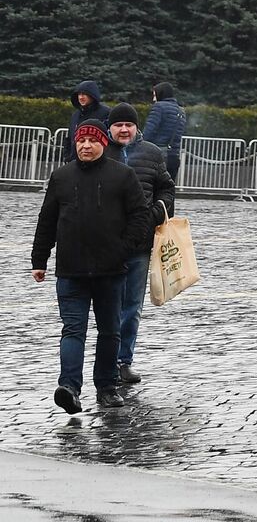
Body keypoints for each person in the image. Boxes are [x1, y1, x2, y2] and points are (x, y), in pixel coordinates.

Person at [32, 120, 148, 413]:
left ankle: (106, 386)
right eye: (80, 140)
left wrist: (124, 249)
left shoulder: (123, 176)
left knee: (110, 331)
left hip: (111, 271)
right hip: (71, 270)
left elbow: (139, 216)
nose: (85, 145)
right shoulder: (61, 176)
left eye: (91, 141)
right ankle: (69, 387)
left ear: (102, 144)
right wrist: (39, 259)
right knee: (73, 330)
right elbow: (47, 220)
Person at [105, 103, 172, 387]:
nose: (123, 129)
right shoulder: (99, 150)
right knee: (106, 305)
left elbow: (166, 188)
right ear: (110, 128)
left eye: (128, 124)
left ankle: (123, 361)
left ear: (135, 127)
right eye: (118, 124)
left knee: (132, 306)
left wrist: (157, 212)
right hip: (104, 242)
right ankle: (103, 361)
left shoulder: (153, 153)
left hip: (140, 243)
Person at [143, 83, 188, 180]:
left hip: (157, 155)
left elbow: (149, 131)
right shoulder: (181, 111)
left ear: (161, 94)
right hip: (174, 156)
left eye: (155, 95)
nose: (154, 99)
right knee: (167, 190)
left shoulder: (159, 107)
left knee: (152, 188)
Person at [64, 80, 111, 163]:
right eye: (79, 94)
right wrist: (67, 157)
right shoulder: (75, 115)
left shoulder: (106, 113)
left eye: (84, 94)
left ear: (93, 95)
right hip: (75, 161)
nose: (81, 97)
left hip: (97, 162)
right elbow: (70, 137)